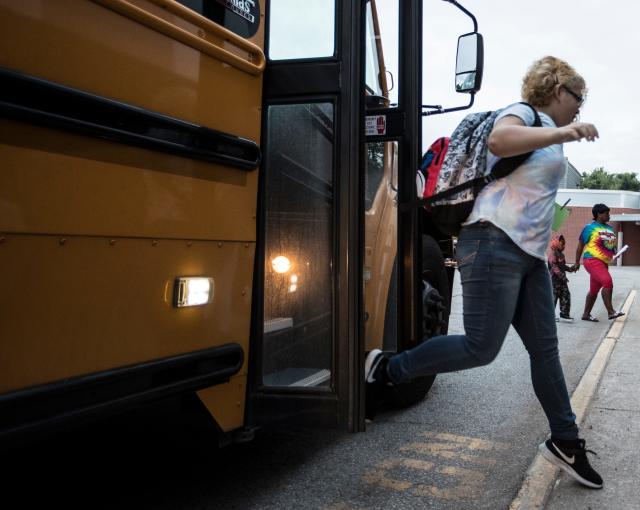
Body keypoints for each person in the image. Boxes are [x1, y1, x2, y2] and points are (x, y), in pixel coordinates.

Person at [365, 56, 603, 488]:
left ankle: (565, 440)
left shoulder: (551, 140)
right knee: (481, 347)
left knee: (545, 352)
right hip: (492, 243)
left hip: (528, 256)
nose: (579, 109)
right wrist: (564, 129)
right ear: (556, 89)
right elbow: (499, 140)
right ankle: (388, 369)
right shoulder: (525, 114)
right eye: (577, 98)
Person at [574, 203, 625, 321]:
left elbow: (610, 245)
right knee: (607, 282)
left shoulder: (609, 228)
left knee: (594, 290)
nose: (609, 215)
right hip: (592, 260)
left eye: (609, 213)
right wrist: (576, 262)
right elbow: (580, 246)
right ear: (598, 214)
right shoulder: (589, 228)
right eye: (606, 213)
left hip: (603, 263)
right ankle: (611, 312)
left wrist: (615, 252)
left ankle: (586, 314)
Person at [548, 234, 576, 322]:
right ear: (556, 243)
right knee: (553, 297)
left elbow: (563, 266)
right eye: (562, 244)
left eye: (564, 244)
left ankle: (564, 314)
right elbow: (554, 267)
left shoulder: (561, 255)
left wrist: (571, 268)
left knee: (566, 296)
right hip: (554, 281)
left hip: (562, 281)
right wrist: (562, 276)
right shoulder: (552, 254)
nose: (563, 246)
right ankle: (550, 315)